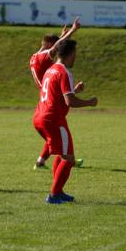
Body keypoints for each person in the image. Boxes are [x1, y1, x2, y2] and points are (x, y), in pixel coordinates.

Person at [33, 38, 98, 204]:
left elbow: (59, 96)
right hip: (53, 119)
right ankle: (54, 195)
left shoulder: (50, 70)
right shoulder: (64, 72)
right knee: (69, 158)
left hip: (40, 117)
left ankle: (59, 191)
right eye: (75, 54)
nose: (76, 57)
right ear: (70, 54)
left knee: (63, 154)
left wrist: (74, 90)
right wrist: (89, 102)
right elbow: (70, 102)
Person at [29, 17, 83, 169]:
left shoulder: (34, 57)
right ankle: (66, 159)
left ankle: (42, 161)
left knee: (52, 135)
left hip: (48, 93)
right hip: (51, 98)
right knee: (55, 130)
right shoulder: (41, 58)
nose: (57, 50)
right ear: (47, 44)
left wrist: (64, 35)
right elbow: (59, 48)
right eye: (54, 45)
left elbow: (60, 46)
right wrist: (72, 30)